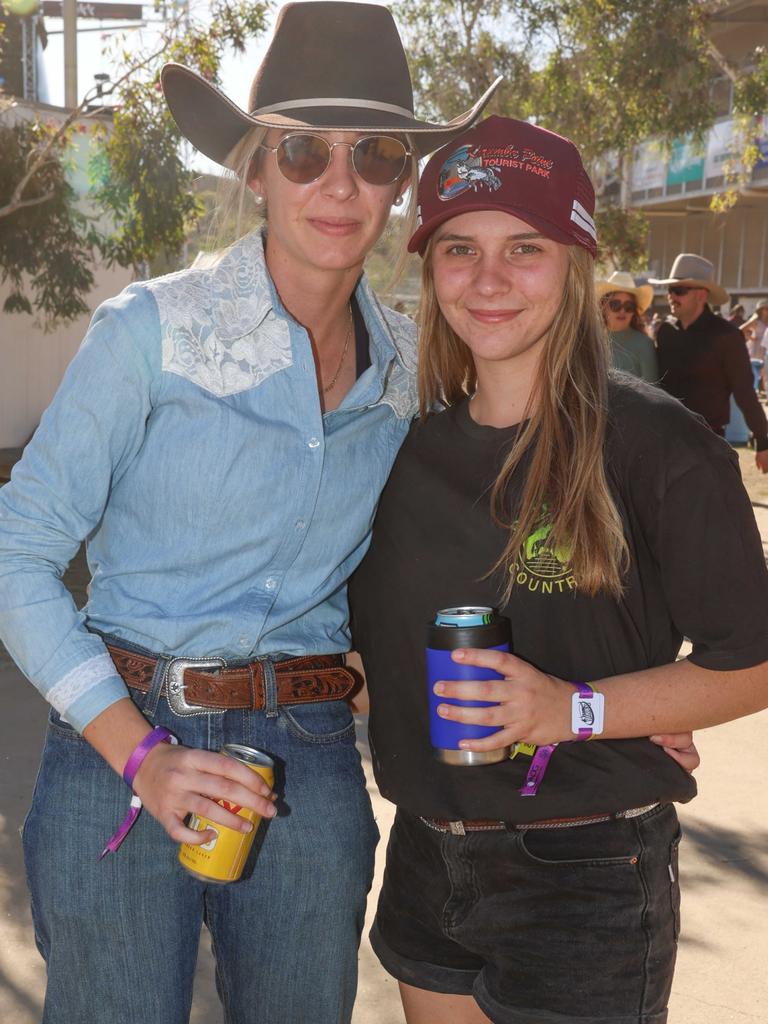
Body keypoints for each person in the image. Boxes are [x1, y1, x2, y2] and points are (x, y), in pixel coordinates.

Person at [0, 5, 500, 1022]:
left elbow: (493, 529)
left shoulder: (415, 367)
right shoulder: (150, 334)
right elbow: (16, 552)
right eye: (305, 151)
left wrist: (611, 702)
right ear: (256, 169)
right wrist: (139, 752)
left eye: (374, 154)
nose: (339, 183)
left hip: (310, 763)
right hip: (124, 750)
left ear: (401, 180)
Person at [349, 115, 768, 1024]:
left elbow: (751, 661)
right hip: (424, 857)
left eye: (524, 248)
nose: (488, 280)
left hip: (586, 881)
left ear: (576, 264)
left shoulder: (656, 444)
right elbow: (367, 661)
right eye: (459, 247)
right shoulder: (401, 451)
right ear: (430, 270)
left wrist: (580, 711)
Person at [652, 254, 768, 470]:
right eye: (670, 290)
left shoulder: (726, 336)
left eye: (679, 291)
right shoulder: (665, 332)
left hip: (708, 443)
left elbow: (744, 391)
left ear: (701, 295)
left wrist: (762, 441)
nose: (671, 297)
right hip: (667, 441)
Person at [596, 270, 658, 381]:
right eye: (615, 305)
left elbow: (653, 392)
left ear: (634, 311)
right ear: (603, 306)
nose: (622, 311)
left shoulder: (644, 344)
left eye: (629, 306)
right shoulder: (591, 341)